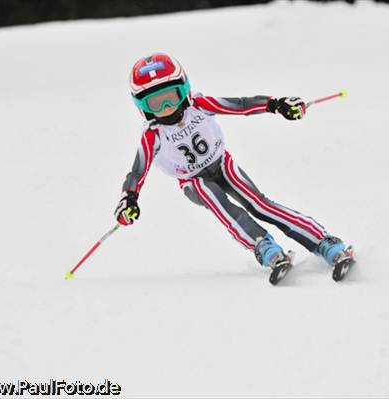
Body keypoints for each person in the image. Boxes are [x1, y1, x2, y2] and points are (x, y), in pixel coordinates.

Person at [114, 53, 354, 283]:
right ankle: (266, 248)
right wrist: (129, 198)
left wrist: (275, 105)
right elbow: (137, 172)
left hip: (221, 163)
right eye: (155, 103)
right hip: (193, 181)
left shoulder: (199, 105)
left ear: (184, 90)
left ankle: (324, 242)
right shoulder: (152, 135)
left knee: (260, 205)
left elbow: (240, 105)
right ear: (142, 107)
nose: (166, 107)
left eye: (172, 96)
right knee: (225, 209)